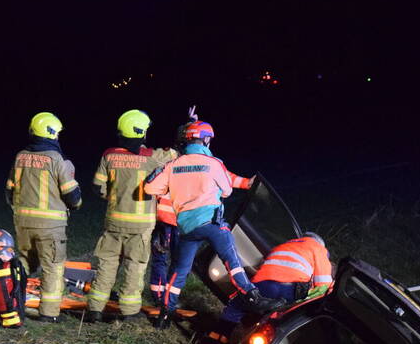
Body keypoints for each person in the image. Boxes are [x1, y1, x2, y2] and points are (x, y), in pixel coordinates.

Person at [144, 120, 283, 327]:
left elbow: (150, 188)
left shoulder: (173, 166)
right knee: (231, 260)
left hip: (187, 228)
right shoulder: (213, 163)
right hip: (212, 224)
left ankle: (165, 312)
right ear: (206, 140)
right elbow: (226, 190)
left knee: (179, 271)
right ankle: (253, 297)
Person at [149, 108, 252, 306]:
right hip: (176, 220)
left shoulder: (177, 159)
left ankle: (165, 303)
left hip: (178, 220)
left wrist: (247, 183)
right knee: (169, 261)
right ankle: (160, 298)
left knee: (175, 264)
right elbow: (225, 181)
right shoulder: (177, 158)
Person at [86, 109, 177, 322]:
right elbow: (176, 153)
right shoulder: (152, 157)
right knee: (134, 267)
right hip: (141, 226)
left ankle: (94, 309)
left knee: (107, 265)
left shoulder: (109, 155)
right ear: (142, 132)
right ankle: (129, 312)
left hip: (114, 222)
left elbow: (97, 187)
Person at [5, 112, 82, 322]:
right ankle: (49, 314)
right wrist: (76, 204)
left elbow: (9, 190)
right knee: (53, 267)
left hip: (22, 223)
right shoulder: (57, 159)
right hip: (50, 227)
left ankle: (13, 304)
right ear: (52, 134)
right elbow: (72, 196)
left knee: (23, 263)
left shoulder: (20, 156)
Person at [208, 232, 333, 344]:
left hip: (262, 284)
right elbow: (323, 284)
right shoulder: (319, 249)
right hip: (290, 291)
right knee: (275, 317)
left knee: (238, 306)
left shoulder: (285, 245)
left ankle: (216, 338)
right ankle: (256, 342)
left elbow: (267, 265)